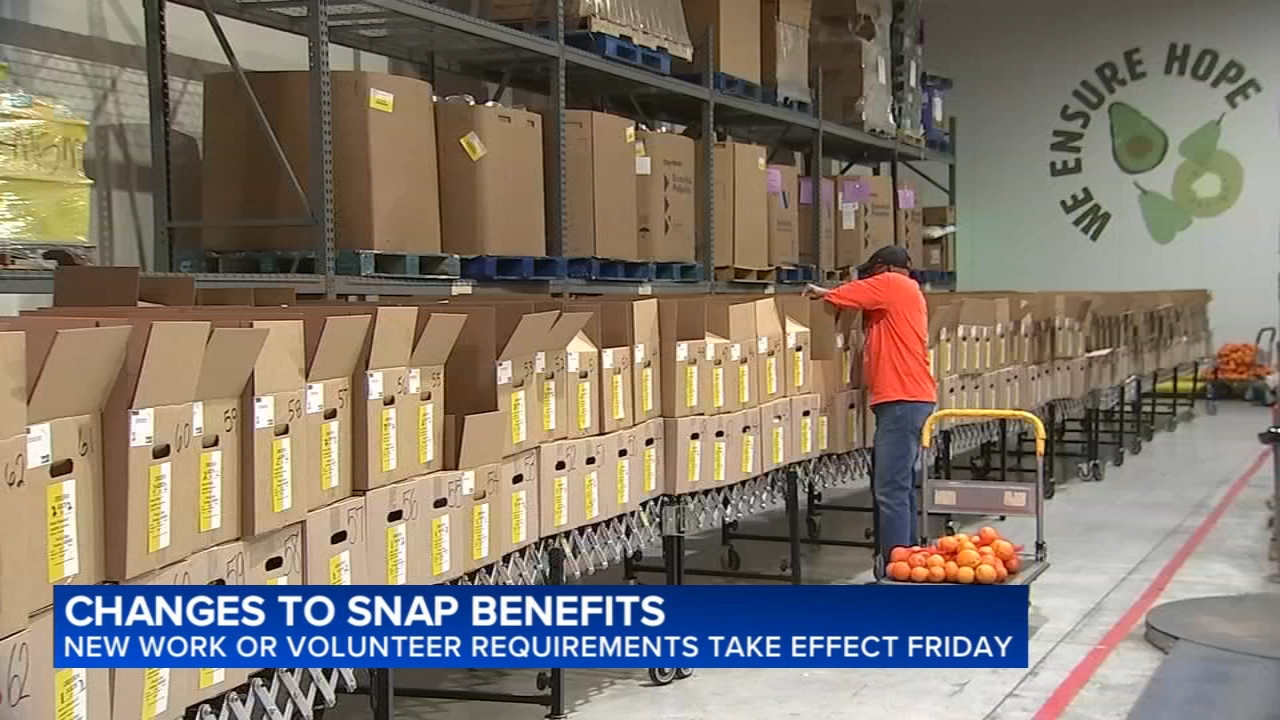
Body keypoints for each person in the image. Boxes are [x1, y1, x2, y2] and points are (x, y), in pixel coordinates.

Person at [803, 246, 936, 576]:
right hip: (908, 399)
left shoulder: (892, 284)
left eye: (871, 272)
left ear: (883, 268)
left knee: (889, 489)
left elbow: (842, 295)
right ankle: (908, 560)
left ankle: (894, 568)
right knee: (900, 486)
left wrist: (820, 292)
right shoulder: (905, 293)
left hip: (902, 400)